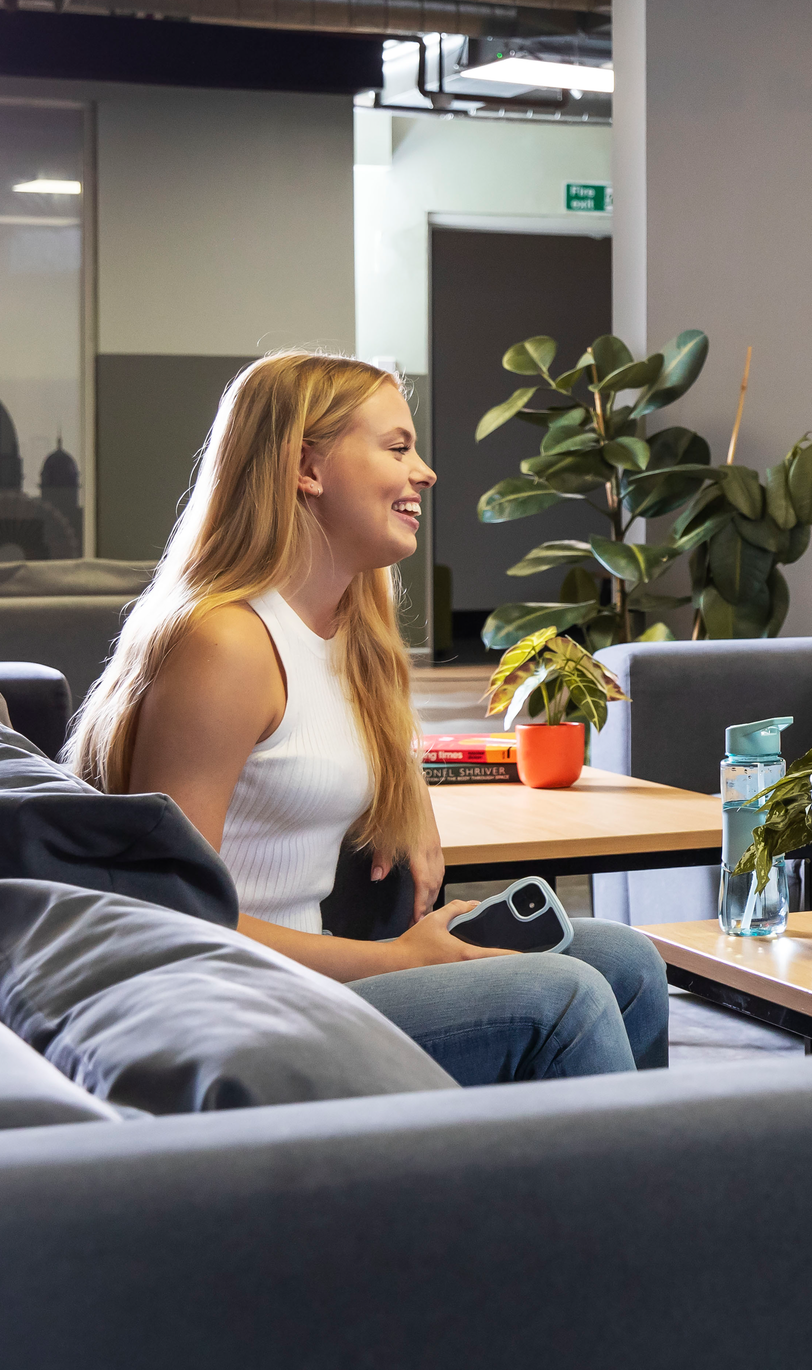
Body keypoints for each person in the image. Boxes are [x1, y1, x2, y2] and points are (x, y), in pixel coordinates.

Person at [66, 352, 666, 1084]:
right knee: (562, 999)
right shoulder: (224, 645)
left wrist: (408, 796)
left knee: (627, 962)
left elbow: (329, 757)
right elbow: (173, 917)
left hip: (310, 983)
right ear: (306, 468)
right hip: (239, 1008)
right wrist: (395, 960)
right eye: (397, 447)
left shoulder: (344, 632)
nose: (426, 472)